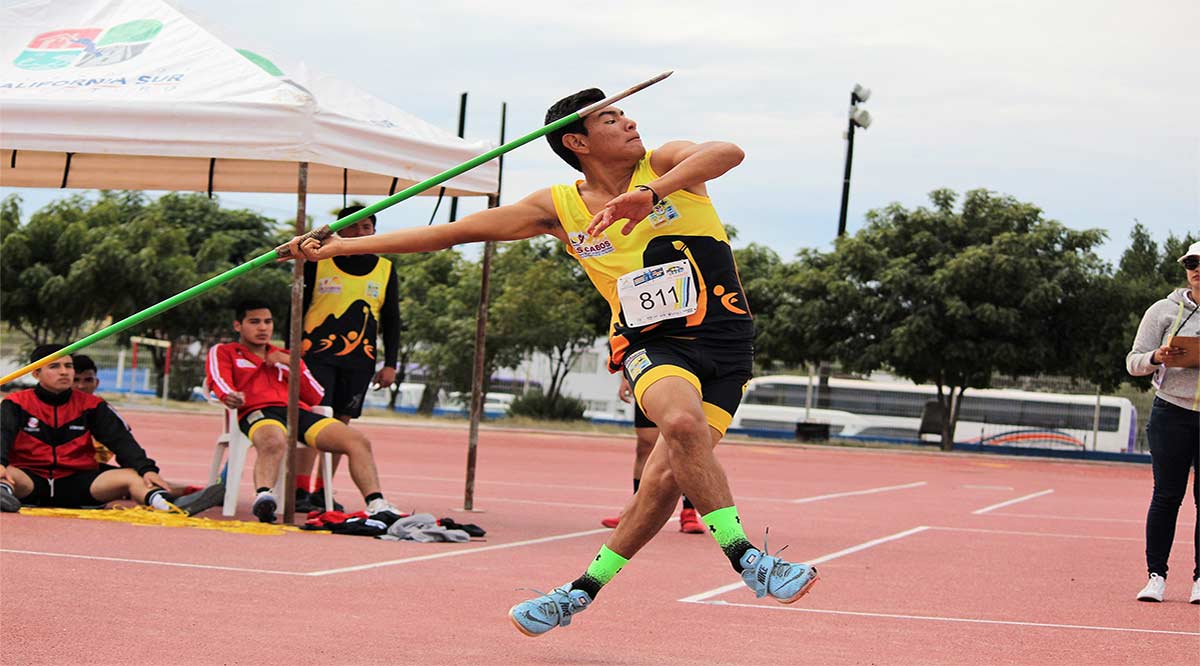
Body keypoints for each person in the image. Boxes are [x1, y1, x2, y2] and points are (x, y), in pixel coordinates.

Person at [286, 87, 819, 635]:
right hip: (650, 344)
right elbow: (452, 233)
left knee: (663, 480)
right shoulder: (557, 207)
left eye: (624, 113)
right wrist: (337, 249)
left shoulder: (663, 163)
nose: (630, 122)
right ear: (577, 141)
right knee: (680, 422)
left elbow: (728, 151)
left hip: (727, 342)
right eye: (611, 119)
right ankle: (747, 558)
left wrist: (649, 194)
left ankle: (576, 594)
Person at [206, 299, 402, 523]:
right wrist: (229, 395)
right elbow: (218, 381)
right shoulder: (225, 352)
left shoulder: (285, 355)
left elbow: (315, 395)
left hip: (297, 413)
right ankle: (264, 497)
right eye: (254, 322)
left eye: (267, 322)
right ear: (238, 326)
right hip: (257, 413)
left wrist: (291, 365)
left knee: (357, 441)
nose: (263, 328)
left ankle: (376, 503)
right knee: (273, 440)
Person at [290, 204, 402, 513]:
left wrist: (390, 363)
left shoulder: (385, 268)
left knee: (342, 422)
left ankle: (322, 491)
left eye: (366, 227)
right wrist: (293, 345)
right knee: (314, 418)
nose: (360, 232)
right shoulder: (318, 261)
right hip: (316, 356)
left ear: (374, 232)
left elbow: (392, 319)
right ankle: (299, 487)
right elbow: (298, 303)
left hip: (360, 360)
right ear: (340, 230)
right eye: (353, 227)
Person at [0, 345, 176, 514]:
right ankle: (3, 493)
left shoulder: (93, 405)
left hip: (80, 483)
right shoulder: (15, 403)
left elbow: (121, 441)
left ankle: (167, 505)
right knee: (3, 471)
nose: (64, 371)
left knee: (134, 476)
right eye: (54, 366)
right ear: (36, 373)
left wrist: (147, 469)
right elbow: (2, 435)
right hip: (29, 481)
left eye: (68, 366)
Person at [1127, 240, 1200, 605]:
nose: (1197, 268)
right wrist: (1158, 356)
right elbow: (1134, 361)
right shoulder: (1162, 310)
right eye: (1191, 262)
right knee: (1167, 496)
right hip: (1171, 410)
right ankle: (1156, 576)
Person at [601, 375, 705, 534]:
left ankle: (689, 512)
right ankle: (635, 511)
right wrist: (626, 377)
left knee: (685, 445)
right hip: (651, 374)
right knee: (644, 445)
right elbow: (627, 349)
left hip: (687, 374)